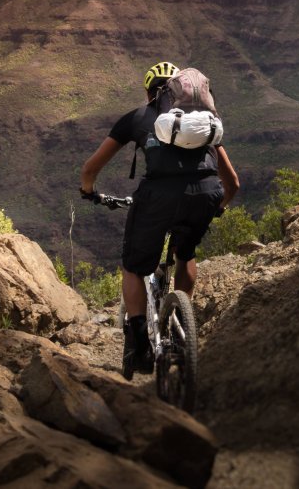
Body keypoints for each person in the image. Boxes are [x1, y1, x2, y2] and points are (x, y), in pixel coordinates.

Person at [79, 61, 240, 375]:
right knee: (186, 253)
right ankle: (182, 324)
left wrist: (90, 191)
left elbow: (90, 169)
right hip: (207, 193)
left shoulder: (138, 118)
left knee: (133, 267)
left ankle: (138, 346)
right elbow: (232, 183)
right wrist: (218, 208)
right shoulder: (202, 122)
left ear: (149, 91)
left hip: (158, 198)